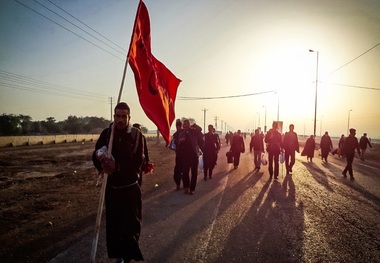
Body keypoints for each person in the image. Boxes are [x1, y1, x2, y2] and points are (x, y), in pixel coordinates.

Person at [92, 102, 144, 262]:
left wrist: (117, 167)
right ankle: (119, 256)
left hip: (130, 188)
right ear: (114, 116)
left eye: (123, 116)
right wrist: (101, 161)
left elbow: (137, 163)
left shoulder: (137, 135)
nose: (120, 119)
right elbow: (95, 154)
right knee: (115, 226)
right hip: (112, 188)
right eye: (117, 116)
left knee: (131, 226)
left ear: (129, 117)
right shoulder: (107, 134)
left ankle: (128, 256)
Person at [177, 119, 204, 195]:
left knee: (194, 172)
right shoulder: (182, 133)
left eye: (186, 124)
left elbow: (200, 129)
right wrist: (180, 141)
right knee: (185, 172)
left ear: (189, 124)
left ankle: (192, 189)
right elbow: (178, 144)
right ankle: (186, 186)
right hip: (185, 156)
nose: (185, 125)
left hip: (194, 155)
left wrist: (194, 125)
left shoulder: (194, 131)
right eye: (184, 124)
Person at [171, 119, 183, 190]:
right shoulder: (175, 135)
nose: (178, 127)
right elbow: (173, 145)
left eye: (179, 126)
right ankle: (178, 184)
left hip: (185, 155)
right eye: (177, 126)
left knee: (185, 171)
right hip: (178, 155)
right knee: (177, 172)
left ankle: (186, 185)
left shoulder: (185, 133)